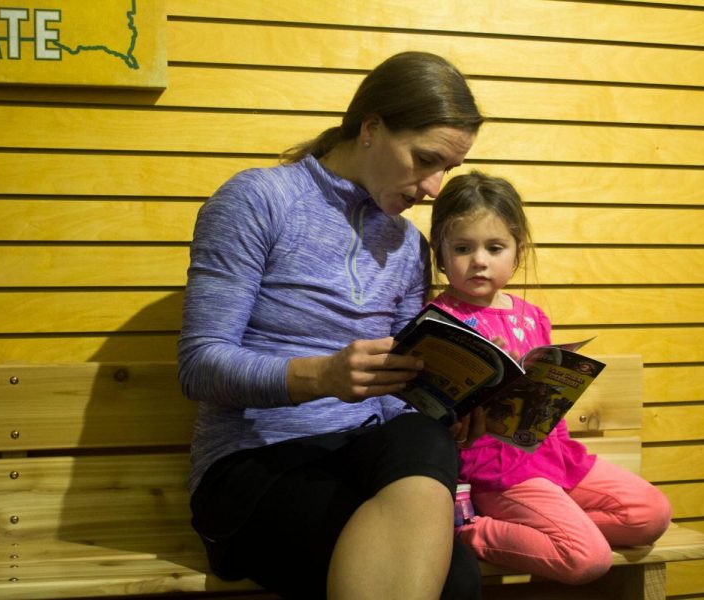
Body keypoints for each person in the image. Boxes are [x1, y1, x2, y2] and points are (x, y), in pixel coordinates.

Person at [178, 51, 487, 600]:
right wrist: (319, 377)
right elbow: (200, 366)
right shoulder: (258, 200)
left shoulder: (407, 245)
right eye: (425, 159)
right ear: (371, 128)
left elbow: (396, 391)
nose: (435, 188)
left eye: (448, 169)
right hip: (252, 465)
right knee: (453, 579)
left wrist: (449, 405)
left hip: (359, 453)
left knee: (423, 436)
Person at [428, 171, 672, 585]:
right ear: (441, 254)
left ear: (517, 253)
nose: (479, 261)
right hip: (495, 469)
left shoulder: (532, 316)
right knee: (585, 558)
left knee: (650, 514)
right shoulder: (440, 321)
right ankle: (469, 531)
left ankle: (556, 525)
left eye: (495, 247)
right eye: (463, 248)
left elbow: (546, 400)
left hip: (551, 457)